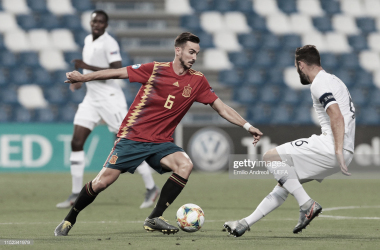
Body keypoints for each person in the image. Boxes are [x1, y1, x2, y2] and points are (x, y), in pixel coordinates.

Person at [54, 32, 263, 236]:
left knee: (185, 165)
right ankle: (70, 218)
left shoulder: (197, 81)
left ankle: (154, 217)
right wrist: (83, 77)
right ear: (178, 50)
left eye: (197, 53)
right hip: (133, 137)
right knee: (102, 182)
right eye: (191, 52)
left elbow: (221, 107)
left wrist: (247, 126)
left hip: (161, 142)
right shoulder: (154, 69)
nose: (194, 57)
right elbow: (117, 73)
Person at [224, 45, 356, 237]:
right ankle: (243, 224)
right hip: (344, 150)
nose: (297, 71)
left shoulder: (319, 83)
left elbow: (336, 116)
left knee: (270, 157)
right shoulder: (334, 80)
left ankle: (307, 205)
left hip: (331, 147)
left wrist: (337, 150)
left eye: (296, 67)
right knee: (285, 181)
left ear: (301, 65)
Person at [56, 10, 160, 210]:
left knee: (128, 145)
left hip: (111, 100)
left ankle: (151, 187)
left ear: (106, 24)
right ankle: (76, 193)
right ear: (90, 22)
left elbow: (117, 70)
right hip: (92, 99)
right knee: (76, 141)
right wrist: (78, 81)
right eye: (95, 21)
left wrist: (84, 67)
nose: (97, 24)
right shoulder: (88, 40)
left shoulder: (109, 43)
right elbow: (89, 71)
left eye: (101, 22)